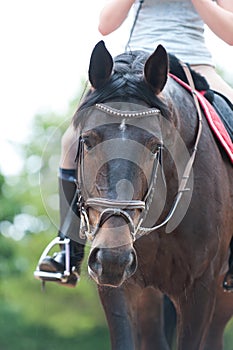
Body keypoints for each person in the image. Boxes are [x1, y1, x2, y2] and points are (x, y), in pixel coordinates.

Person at [36, 0, 233, 289]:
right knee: (70, 140)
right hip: (133, 66)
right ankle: (69, 249)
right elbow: (105, 24)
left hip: (195, 63)